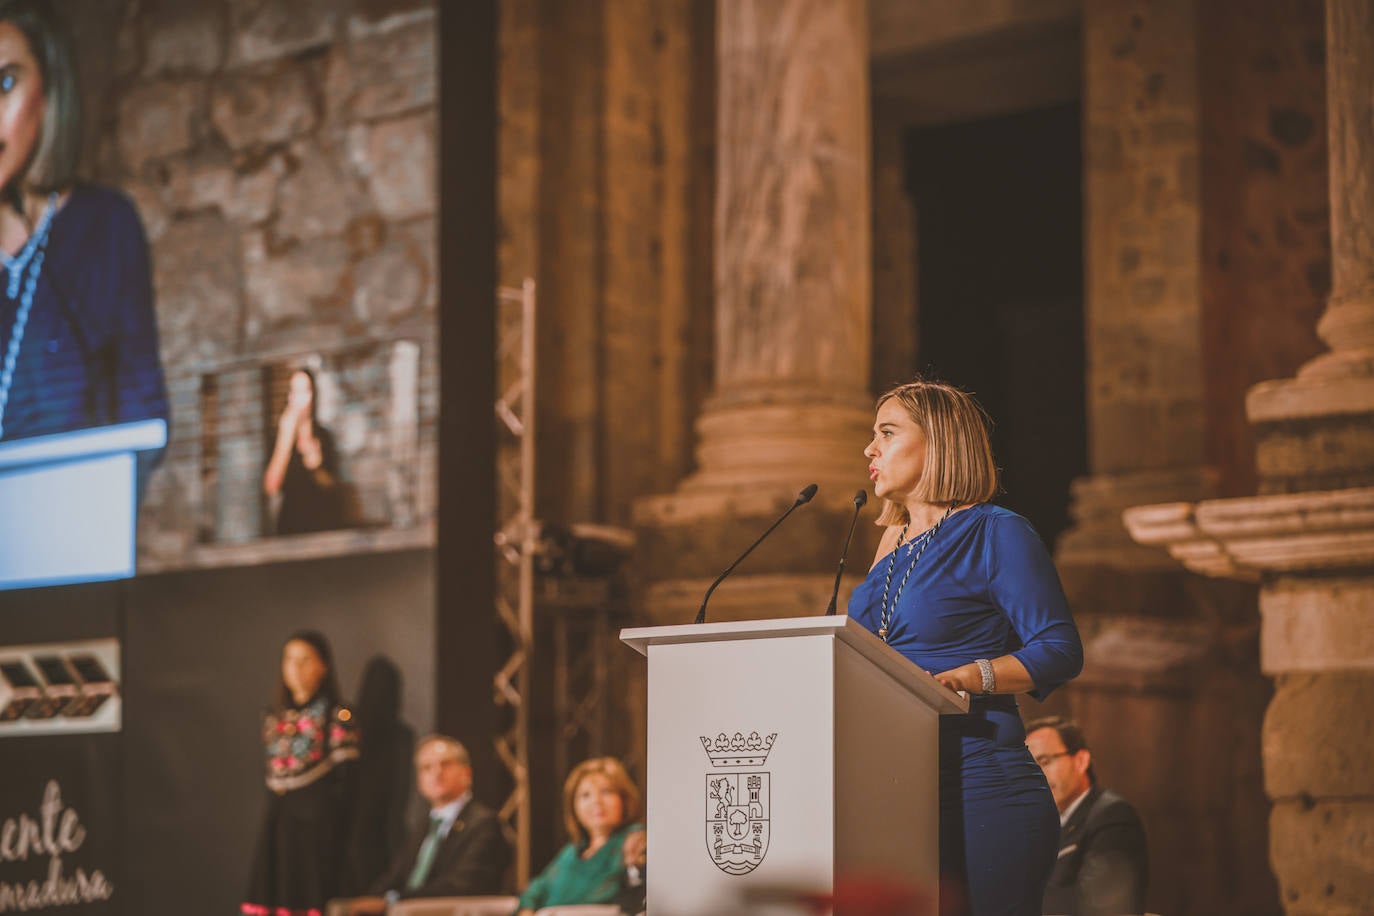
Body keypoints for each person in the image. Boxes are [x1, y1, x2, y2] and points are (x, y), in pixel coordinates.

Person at [847, 379, 1083, 916]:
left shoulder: (995, 532)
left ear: (939, 443)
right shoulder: (890, 544)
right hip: (895, 786)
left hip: (982, 786)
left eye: (887, 432)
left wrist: (964, 678)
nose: (870, 449)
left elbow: (1059, 648)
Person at [0, 0, 167, 474]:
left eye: (5, 82)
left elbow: (142, 408)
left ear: (49, 91)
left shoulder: (104, 226)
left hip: (76, 526)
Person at [244, 632, 360, 916]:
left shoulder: (336, 714)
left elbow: (347, 781)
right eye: (290, 660)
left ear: (323, 666)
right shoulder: (274, 717)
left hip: (315, 827)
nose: (295, 669)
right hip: (279, 821)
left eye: (305, 660)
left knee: (308, 892)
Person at [344, 735, 510, 913]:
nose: (436, 773)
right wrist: (374, 898)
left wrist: (393, 900)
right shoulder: (424, 826)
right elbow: (396, 876)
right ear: (419, 780)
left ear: (466, 773)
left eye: (445, 764)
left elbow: (463, 885)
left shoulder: (484, 824)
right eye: (426, 768)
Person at [1025, 716, 1148, 916]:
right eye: (1028, 767)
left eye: (1044, 761)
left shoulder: (1112, 815)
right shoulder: (1045, 825)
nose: (1036, 775)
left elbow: (1098, 903)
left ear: (1081, 761)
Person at [515, 757, 645, 915]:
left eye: (606, 791)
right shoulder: (572, 851)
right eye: (585, 795)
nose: (596, 801)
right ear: (573, 807)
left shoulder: (633, 839)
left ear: (624, 800)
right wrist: (527, 911)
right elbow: (534, 890)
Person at [263, 368, 349, 535]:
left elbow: (334, 488)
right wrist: (285, 439)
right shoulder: (279, 436)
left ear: (314, 395)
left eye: (306, 391)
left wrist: (316, 468)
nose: (301, 398)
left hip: (323, 526)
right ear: (289, 397)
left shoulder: (323, 436)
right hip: (291, 529)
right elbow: (271, 487)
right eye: (296, 391)